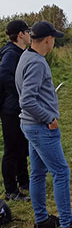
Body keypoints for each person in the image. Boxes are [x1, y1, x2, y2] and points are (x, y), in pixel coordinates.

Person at [15, 21, 72, 228]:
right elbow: (27, 100)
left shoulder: (26, 56)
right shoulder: (37, 63)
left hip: (29, 125)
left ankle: (42, 219)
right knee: (61, 172)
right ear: (47, 40)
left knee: (38, 173)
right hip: (41, 127)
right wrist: (49, 118)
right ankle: (66, 224)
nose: (54, 41)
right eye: (53, 38)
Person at [0, 20, 31, 201]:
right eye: (27, 31)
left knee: (21, 146)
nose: (29, 34)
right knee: (11, 149)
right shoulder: (11, 54)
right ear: (20, 34)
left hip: (17, 107)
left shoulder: (18, 52)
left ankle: (24, 181)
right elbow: (3, 74)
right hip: (11, 109)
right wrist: (21, 92)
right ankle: (11, 191)